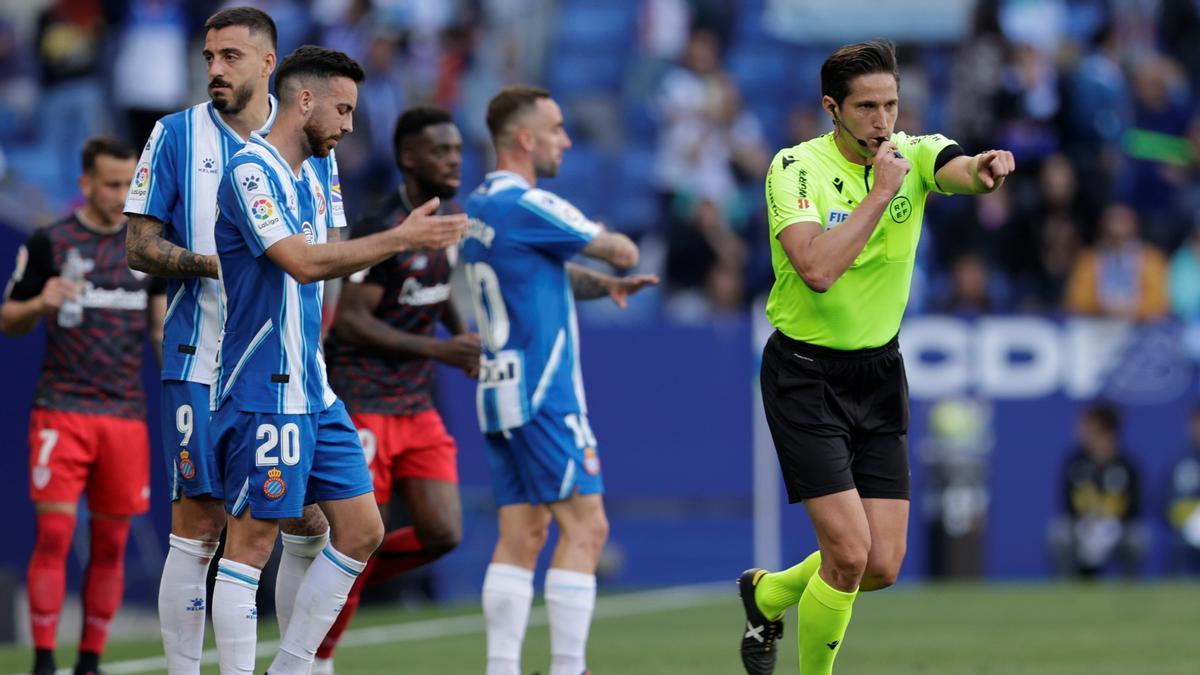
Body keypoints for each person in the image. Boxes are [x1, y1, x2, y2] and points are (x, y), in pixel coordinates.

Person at [741, 40, 1015, 675]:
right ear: (832, 108)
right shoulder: (795, 168)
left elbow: (956, 167)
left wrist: (986, 168)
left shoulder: (912, 154)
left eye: (891, 105)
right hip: (804, 375)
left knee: (880, 564)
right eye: (866, 107)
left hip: (879, 373)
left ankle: (769, 592)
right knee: (846, 550)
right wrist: (879, 193)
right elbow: (814, 268)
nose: (882, 121)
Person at [207, 45, 468, 674]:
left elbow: (334, 263)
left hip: (314, 387)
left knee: (360, 530)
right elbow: (301, 261)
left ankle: (295, 669)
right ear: (304, 101)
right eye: (343, 110)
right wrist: (400, 239)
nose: (350, 125)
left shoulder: (323, 172)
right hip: (261, 383)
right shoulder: (250, 170)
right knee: (251, 540)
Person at [122, 10, 338, 672]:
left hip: (286, 369)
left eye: (232, 57)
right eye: (210, 56)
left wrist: (316, 349)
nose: (216, 68)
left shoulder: (311, 138)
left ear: (270, 63)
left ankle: (296, 665)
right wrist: (214, 261)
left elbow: (329, 254)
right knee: (199, 527)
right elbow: (138, 246)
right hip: (198, 357)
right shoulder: (176, 134)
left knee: (311, 523)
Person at [463, 85, 658, 675]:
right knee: (588, 526)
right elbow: (621, 249)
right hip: (544, 391)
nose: (566, 140)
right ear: (525, 138)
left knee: (522, 532)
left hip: (498, 388)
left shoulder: (476, 209)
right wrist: (609, 250)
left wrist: (601, 286)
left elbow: (536, 272)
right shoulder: (528, 203)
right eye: (556, 128)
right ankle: (570, 667)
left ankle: (502, 667)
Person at [315, 105, 478, 672]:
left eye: (457, 150)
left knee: (442, 532)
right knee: (357, 540)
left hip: (415, 401)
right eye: (441, 151)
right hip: (365, 400)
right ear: (409, 158)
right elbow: (353, 320)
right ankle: (317, 658)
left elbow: (440, 285)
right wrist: (441, 350)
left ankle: (326, 584)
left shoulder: (449, 218)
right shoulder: (381, 225)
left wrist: (464, 337)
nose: (454, 160)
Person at [1, 137, 165, 675]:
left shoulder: (148, 248)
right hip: (62, 408)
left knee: (112, 543)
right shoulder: (51, 242)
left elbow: (160, 330)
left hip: (124, 415)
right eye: (111, 184)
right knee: (54, 534)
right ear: (86, 185)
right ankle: (45, 659)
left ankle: (91, 660)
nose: (121, 195)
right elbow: (8, 318)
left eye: (129, 184)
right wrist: (36, 303)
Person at [1048, 404, 1146, 578]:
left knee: (1138, 538)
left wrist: (1111, 525)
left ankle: (1130, 590)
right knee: (1059, 534)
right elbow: (1066, 502)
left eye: (1085, 425)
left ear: (1102, 429)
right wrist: (1086, 524)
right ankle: (1065, 590)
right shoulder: (1075, 462)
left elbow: (1136, 505)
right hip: (1082, 526)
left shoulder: (1127, 464)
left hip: (1117, 528)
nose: (1079, 430)